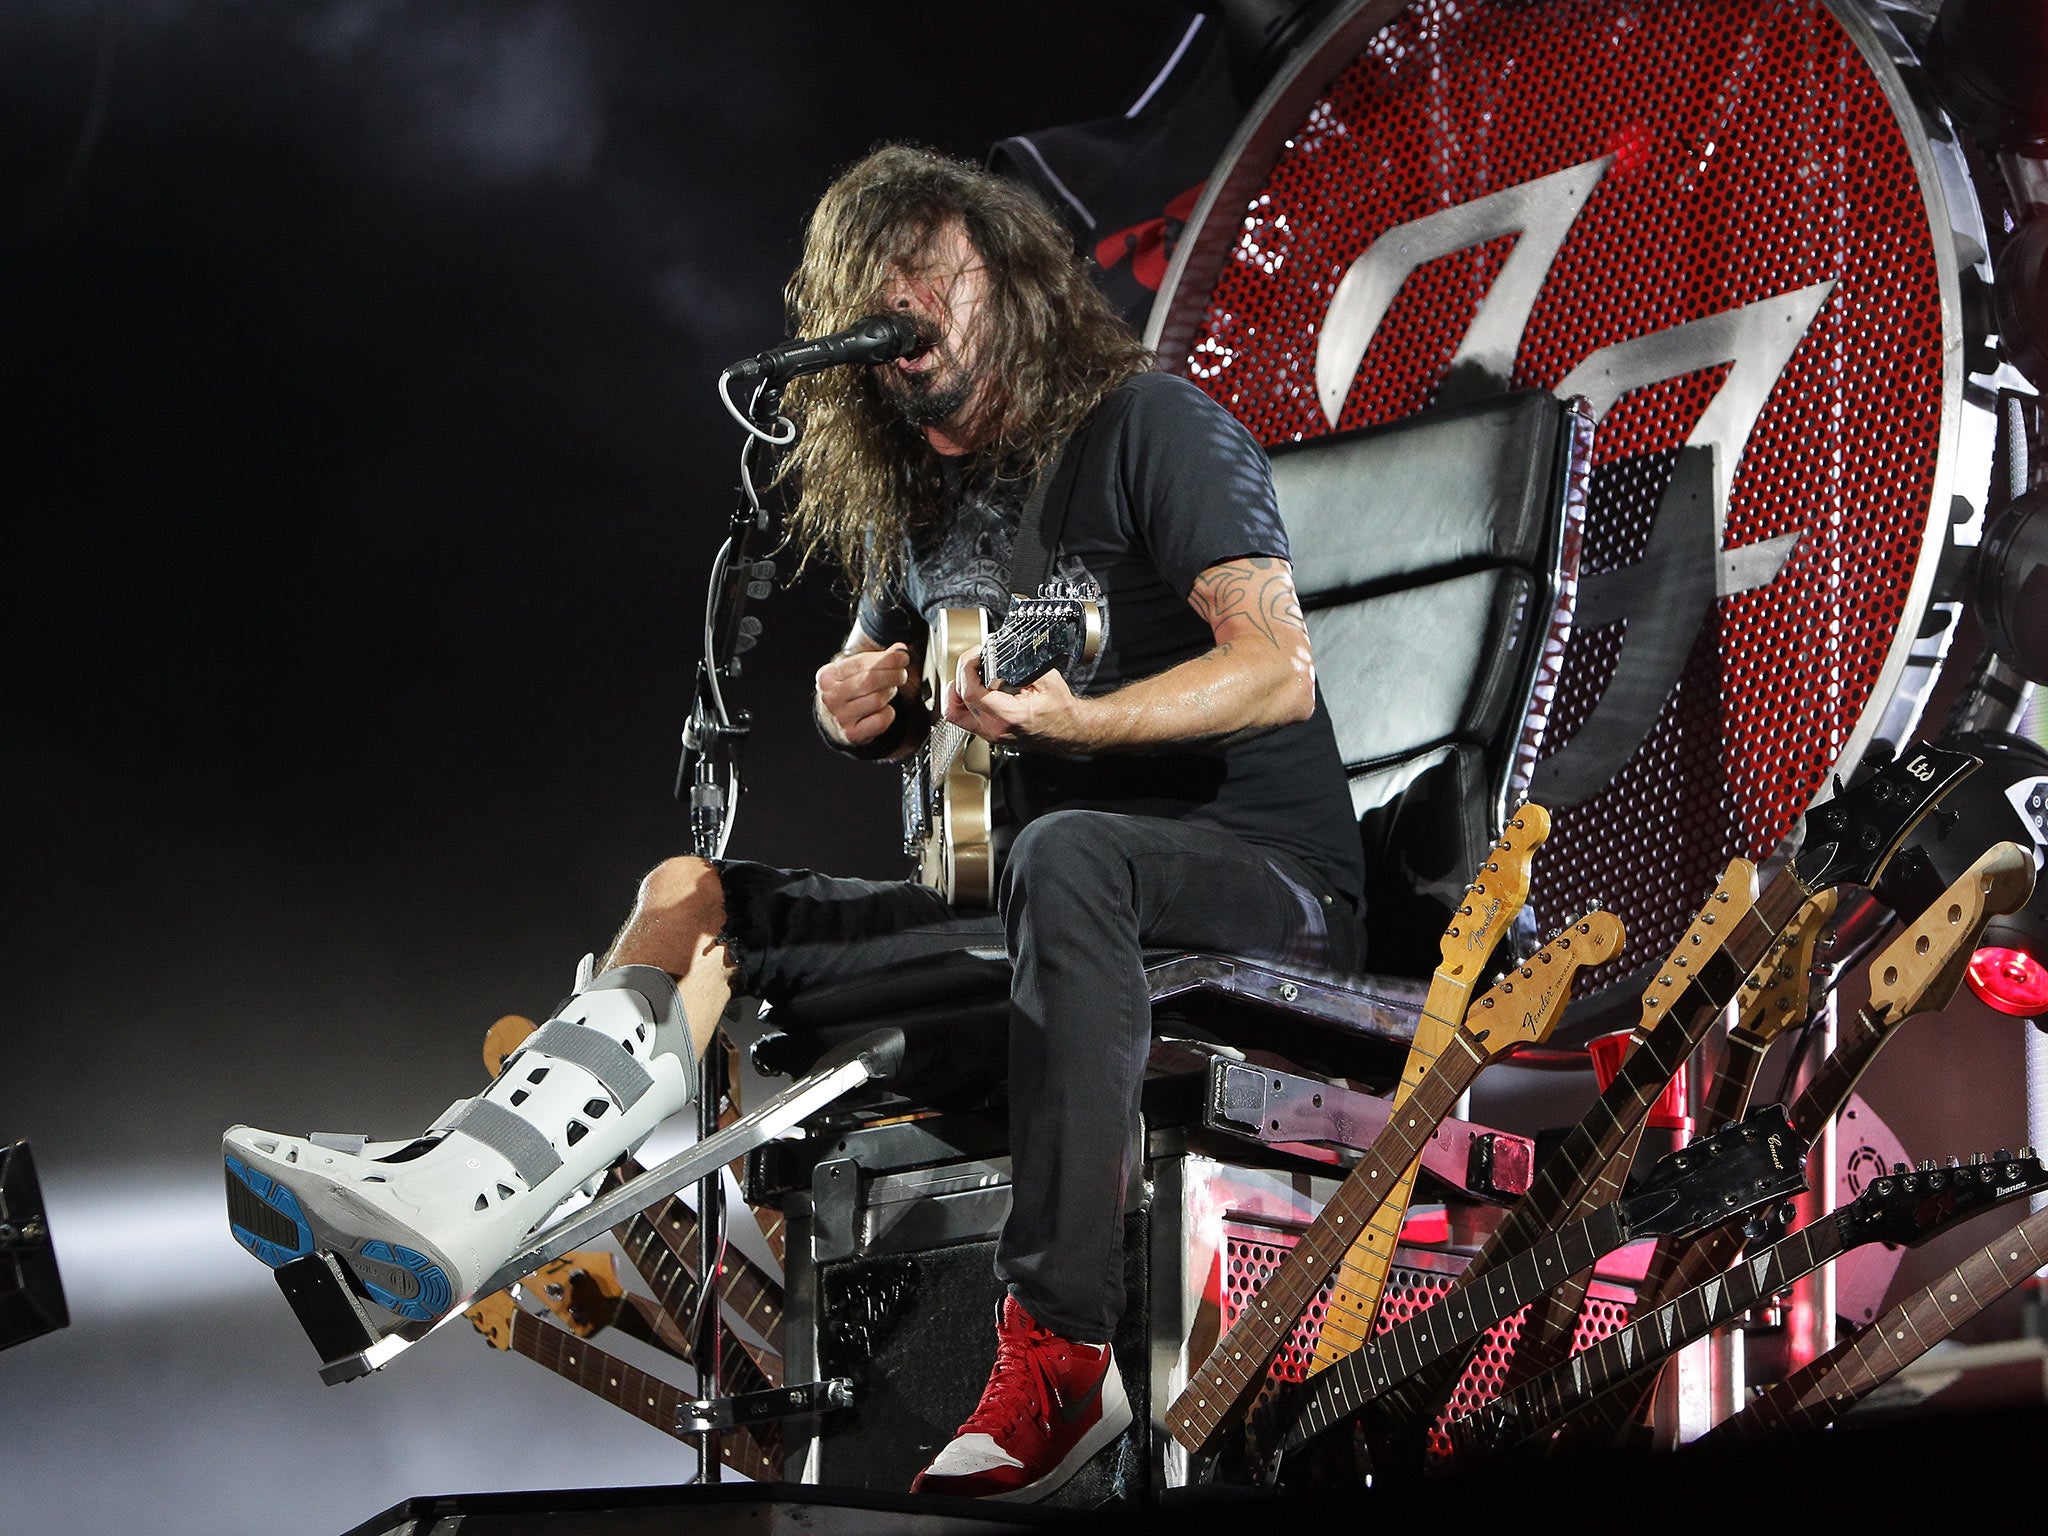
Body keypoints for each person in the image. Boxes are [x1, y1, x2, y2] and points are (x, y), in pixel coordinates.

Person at [223, 144, 1365, 1502]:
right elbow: (878, 690)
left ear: (999, 277)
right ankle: (467, 1191)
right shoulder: (917, 508)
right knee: (693, 893)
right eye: (873, 289)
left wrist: (1076, 723)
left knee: (1068, 852)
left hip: (1263, 885)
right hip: (1038, 908)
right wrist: (852, 704)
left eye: (931, 269)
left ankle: (1064, 1350)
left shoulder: (1151, 428)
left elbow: (1277, 667)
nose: (906, 305)